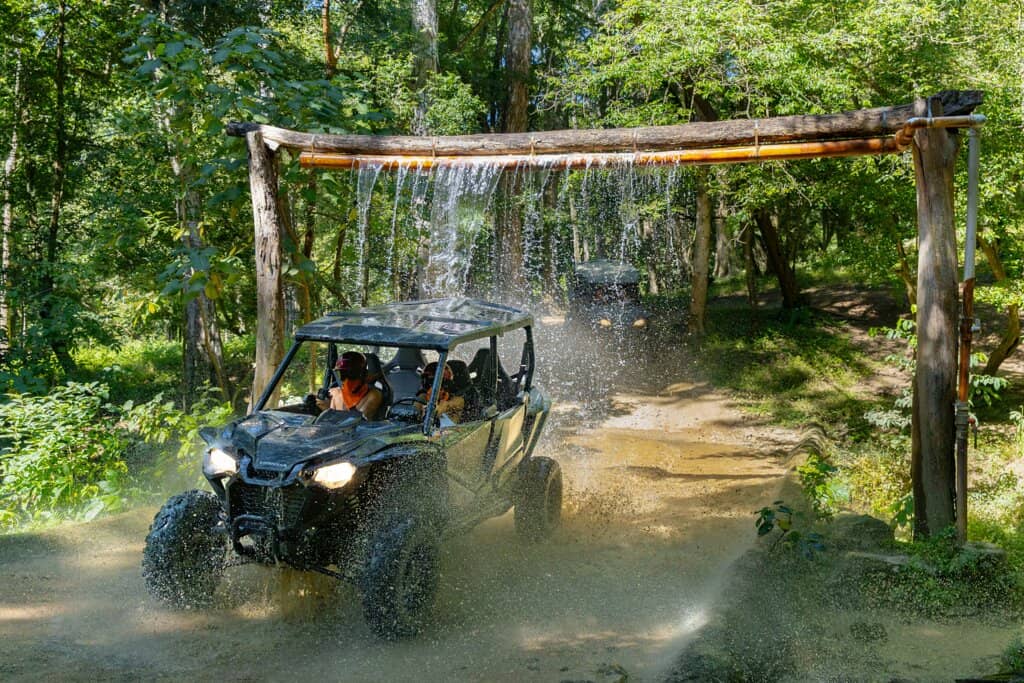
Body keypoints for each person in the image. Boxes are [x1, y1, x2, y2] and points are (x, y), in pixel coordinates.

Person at [317, 351, 383, 420]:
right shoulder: (333, 392)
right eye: (341, 375)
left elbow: (358, 423)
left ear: (363, 375)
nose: (345, 380)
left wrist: (329, 411)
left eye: (350, 375)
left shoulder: (373, 395)